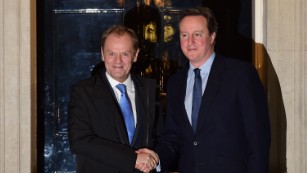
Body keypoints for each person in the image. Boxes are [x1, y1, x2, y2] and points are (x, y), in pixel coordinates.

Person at [153, 7, 271, 173]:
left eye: (197, 34)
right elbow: (173, 137)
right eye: (184, 35)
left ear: (212, 36)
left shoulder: (240, 74)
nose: (190, 41)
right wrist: (155, 160)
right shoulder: (175, 83)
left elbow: (257, 138)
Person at [68, 25, 161, 173]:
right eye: (111, 53)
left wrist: (155, 159)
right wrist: (132, 159)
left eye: (125, 54)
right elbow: (79, 141)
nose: (118, 61)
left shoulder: (150, 90)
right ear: (102, 54)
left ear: (135, 55)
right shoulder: (83, 92)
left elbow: (161, 136)